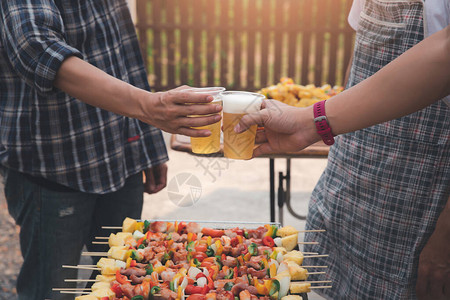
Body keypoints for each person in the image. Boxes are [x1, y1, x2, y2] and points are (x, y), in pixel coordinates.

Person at [0, 1, 221, 299]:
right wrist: (149, 107)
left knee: (123, 283)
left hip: (120, 160)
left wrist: (148, 144)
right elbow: (36, 46)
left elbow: (122, 52)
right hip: (54, 171)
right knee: (51, 291)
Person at [236, 1, 449, 299]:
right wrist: (321, 125)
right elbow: (363, 57)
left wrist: (444, 237)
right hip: (347, 191)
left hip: (418, 213)